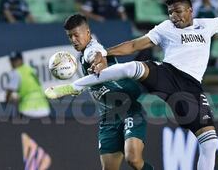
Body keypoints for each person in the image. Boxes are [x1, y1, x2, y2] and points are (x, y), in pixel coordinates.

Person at [46, 0, 218, 170]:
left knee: (210, 142)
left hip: (191, 88)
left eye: (177, 11)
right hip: (167, 73)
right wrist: (104, 53)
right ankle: (73, 87)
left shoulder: (206, 26)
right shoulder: (165, 28)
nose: (173, 16)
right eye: (170, 12)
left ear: (190, 10)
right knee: (136, 67)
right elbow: (136, 45)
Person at [62, 14, 153, 170]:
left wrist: (98, 66)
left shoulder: (94, 49)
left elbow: (98, 58)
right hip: (108, 118)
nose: (73, 40)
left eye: (76, 35)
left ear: (88, 33)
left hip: (128, 109)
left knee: (133, 159)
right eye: (70, 36)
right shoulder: (81, 55)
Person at [5, 51, 51, 118]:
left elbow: (10, 91)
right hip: (44, 110)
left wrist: (7, 100)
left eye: (15, 60)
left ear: (21, 60)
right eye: (12, 61)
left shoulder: (16, 73)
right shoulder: (31, 70)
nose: (13, 63)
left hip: (28, 110)